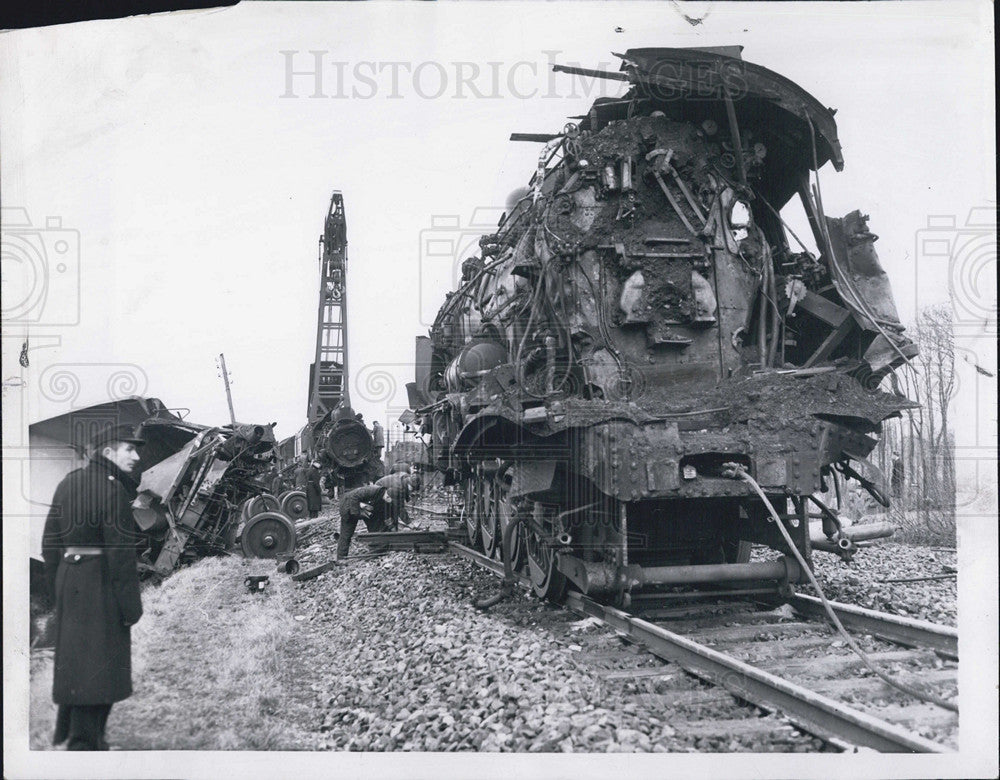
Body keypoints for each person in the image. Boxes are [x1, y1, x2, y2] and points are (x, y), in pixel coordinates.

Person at [41, 423, 146, 750]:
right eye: (129, 449)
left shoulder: (67, 484)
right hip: (101, 586)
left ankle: (85, 738)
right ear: (108, 452)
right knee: (101, 667)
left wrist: (58, 590)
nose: (137, 456)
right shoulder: (113, 489)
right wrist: (131, 607)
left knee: (76, 664)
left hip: (70, 583)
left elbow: (50, 544)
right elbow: (121, 556)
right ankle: (85, 745)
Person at [336, 484, 393, 559]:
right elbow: (354, 497)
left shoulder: (384, 499)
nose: (387, 499)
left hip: (366, 510)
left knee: (376, 529)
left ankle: (376, 551)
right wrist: (357, 513)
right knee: (346, 534)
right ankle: (341, 557)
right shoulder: (372, 490)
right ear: (386, 493)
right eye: (387, 497)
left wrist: (390, 524)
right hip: (348, 507)